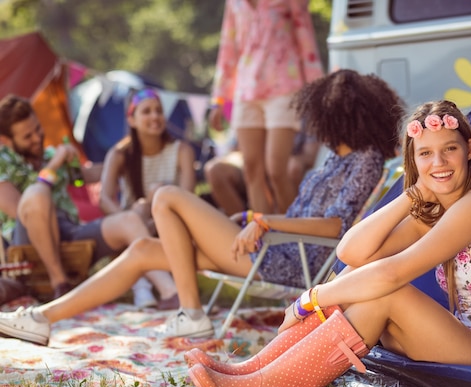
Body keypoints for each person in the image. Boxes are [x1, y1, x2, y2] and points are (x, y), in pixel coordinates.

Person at [183, 100, 471, 387]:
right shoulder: (437, 208)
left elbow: (392, 273)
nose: (438, 162)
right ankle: (254, 370)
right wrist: (411, 194)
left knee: (386, 291)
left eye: (449, 149)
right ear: (414, 158)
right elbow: (352, 252)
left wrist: (309, 300)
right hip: (467, 341)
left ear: (470, 149)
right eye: (425, 153)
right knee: (361, 279)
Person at [0, 69, 404, 343]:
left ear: (336, 116)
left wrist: (263, 221)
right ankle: (43, 318)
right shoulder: (336, 158)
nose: (313, 124)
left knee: (167, 196)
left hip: (284, 258)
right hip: (273, 244)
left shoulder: (365, 160)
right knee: (142, 250)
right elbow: (307, 215)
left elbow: (336, 227)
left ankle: (190, 311)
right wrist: (252, 218)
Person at [0, 95, 169, 300]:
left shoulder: (48, 154)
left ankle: (171, 292)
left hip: (70, 233)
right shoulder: (5, 161)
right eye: (28, 136)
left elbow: (82, 179)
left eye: (38, 129)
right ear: (7, 140)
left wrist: (119, 159)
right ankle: (60, 284)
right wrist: (54, 165)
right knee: (37, 195)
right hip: (29, 241)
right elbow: (20, 209)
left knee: (130, 220)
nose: (37, 138)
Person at [208, 0, 325, 214]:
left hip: (284, 87)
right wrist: (219, 99)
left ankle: (294, 234)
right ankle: (262, 237)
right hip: (245, 90)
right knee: (252, 170)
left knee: (276, 170)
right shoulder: (235, 3)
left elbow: (306, 42)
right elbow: (228, 48)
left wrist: (317, 91)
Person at [99, 88, 196, 309]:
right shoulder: (120, 153)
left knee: (157, 194)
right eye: (147, 111)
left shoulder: (181, 150)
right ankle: (145, 287)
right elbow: (104, 198)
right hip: (134, 221)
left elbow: (188, 197)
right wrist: (129, 221)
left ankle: (143, 287)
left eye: (159, 111)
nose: (155, 116)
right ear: (132, 119)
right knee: (140, 208)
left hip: (170, 221)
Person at [203, 130, 320, 216]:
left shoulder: (302, 107)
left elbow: (309, 156)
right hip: (251, 165)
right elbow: (234, 148)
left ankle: (284, 229)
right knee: (214, 169)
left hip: (286, 165)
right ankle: (242, 225)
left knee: (286, 168)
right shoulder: (251, 100)